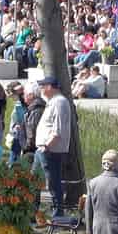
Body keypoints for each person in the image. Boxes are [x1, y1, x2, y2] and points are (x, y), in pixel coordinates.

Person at [35, 76, 72, 217]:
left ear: (50, 86)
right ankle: (33, 212)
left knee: (53, 182)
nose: (41, 89)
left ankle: (58, 214)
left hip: (51, 150)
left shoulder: (60, 102)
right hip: (44, 149)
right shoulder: (53, 101)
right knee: (34, 180)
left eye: (43, 86)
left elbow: (58, 129)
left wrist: (47, 146)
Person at [21, 84, 46, 163]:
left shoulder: (36, 110)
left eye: (24, 94)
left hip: (33, 150)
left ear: (31, 95)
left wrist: (26, 148)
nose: (23, 96)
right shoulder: (35, 108)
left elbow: (32, 131)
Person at [5, 81, 27, 165]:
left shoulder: (22, 104)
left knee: (14, 158)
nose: (9, 96)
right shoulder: (18, 103)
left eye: (10, 92)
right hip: (15, 133)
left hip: (19, 134)